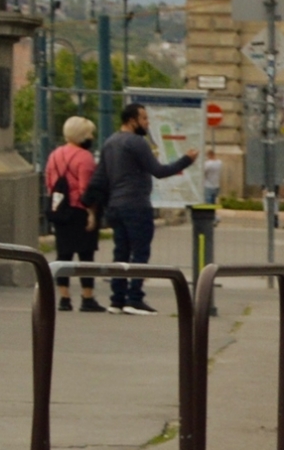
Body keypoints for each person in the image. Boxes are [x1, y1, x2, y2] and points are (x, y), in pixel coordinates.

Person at [88, 103, 196, 315]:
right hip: (136, 205)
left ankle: (117, 299)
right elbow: (159, 171)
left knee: (120, 253)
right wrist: (186, 160)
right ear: (132, 120)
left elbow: (100, 177)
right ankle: (134, 298)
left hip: (115, 206)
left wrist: (92, 206)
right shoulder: (136, 142)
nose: (148, 123)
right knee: (140, 252)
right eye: (144, 119)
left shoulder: (110, 142)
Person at [43, 116, 105, 314]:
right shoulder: (84, 157)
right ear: (82, 136)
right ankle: (87, 297)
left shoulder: (54, 155)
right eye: (89, 134)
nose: (92, 137)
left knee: (63, 254)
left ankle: (64, 297)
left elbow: (49, 182)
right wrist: (92, 213)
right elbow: (86, 188)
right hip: (80, 211)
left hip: (61, 210)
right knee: (86, 255)